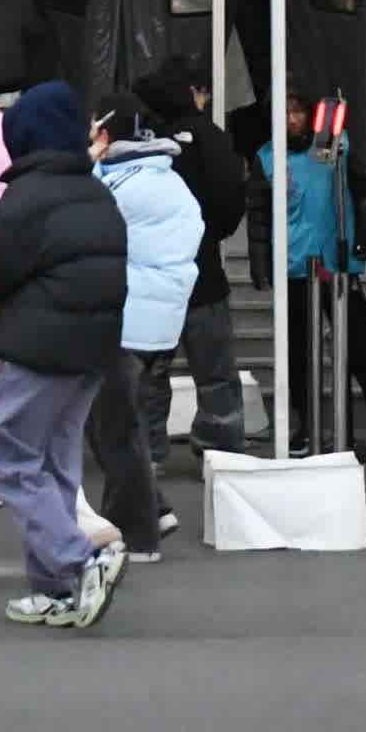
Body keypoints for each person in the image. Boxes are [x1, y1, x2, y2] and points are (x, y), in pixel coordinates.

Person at [0, 80, 132, 629]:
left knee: (12, 457)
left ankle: (80, 559)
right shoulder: (96, 193)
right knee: (55, 464)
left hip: (38, 346)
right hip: (92, 350)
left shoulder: (29, 196)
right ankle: (54, 590)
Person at [255, 83, 366, 461]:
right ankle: (306, 426)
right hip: (295, 266)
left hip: (337, 263)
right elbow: (259, 214)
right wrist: (260, 261)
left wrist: (365, 236)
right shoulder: (268, 158)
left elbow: (364, 192)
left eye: (297, 110)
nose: (291, 119)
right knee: (299, 354)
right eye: (283, 113)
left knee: (362, 350)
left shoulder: (337, 147)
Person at [88, 92, 199, 554]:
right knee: (122, 424)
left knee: (112, 429)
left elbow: (83, 218)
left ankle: (138, 530)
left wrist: (85, 163)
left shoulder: (119, 184)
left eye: (94, 130)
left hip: (126, 317)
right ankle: (149, 510)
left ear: (108, 134)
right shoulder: (167, 179)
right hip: (162, 319)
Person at [134, 62, 251, 458]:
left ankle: (147, 452)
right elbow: (230, 194)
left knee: (150, 372)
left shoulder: (140, 139)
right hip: (202, 272)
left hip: (148, 277)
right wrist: (211, 233)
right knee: (215, 372)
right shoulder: (209, 138)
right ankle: (219, 447)